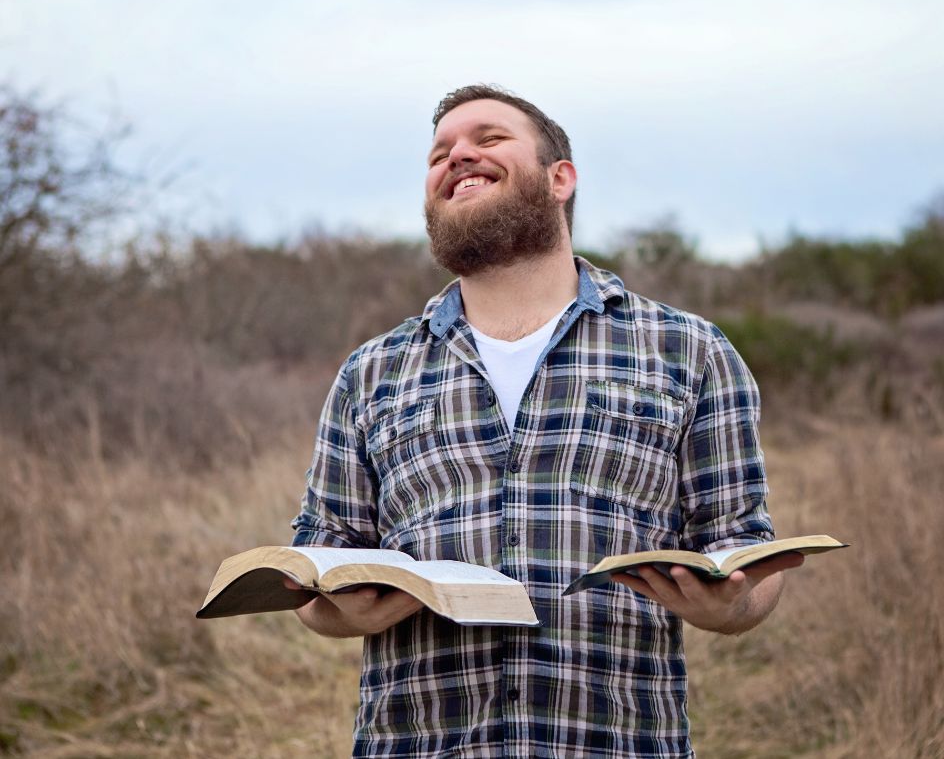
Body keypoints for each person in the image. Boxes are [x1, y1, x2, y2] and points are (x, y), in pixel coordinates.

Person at [288, 84, 803, 757]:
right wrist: (330, 608)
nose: (458, 156)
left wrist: (730, 607)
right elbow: (320, 556)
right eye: (440, 152)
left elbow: (746, 546)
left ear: (560, 178)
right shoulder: (373, 371)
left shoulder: (688, 350)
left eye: (488, 139)